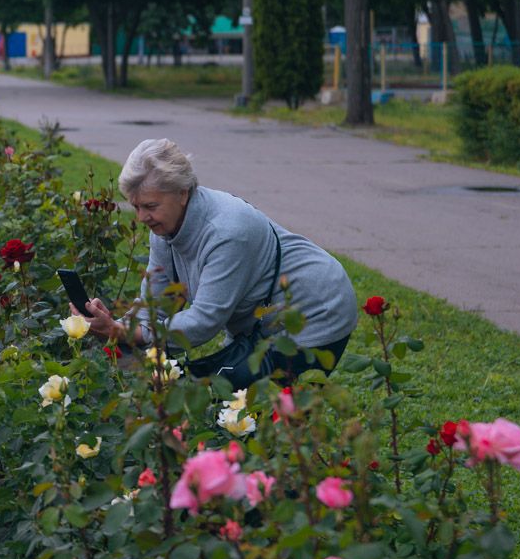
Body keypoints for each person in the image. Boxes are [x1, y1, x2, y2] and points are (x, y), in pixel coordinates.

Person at [80, 138, 358, 386]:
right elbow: (154, 307)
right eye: (136, 206)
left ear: (182, 193)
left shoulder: (227, 231)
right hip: (259, 321)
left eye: (151, 206)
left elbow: (204, 321)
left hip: (316, 310)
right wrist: (116, 327)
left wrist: (128, 333)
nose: (141, 218)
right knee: (225, 402)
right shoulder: (164, 230)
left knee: (260, 411)